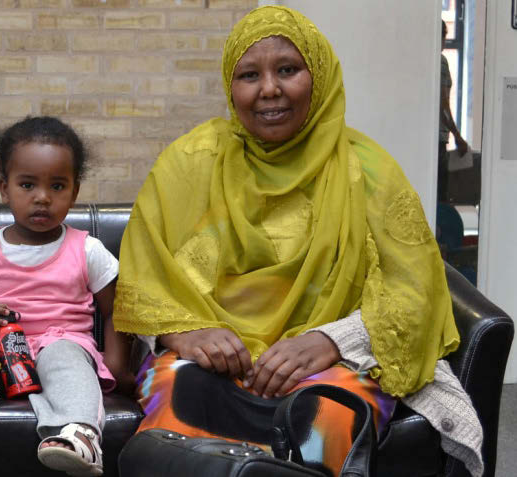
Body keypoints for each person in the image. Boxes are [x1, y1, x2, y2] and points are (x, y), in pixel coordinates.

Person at [113, 6, 483, 477]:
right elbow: (146, 277)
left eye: (287, 70)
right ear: (231, 87)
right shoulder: (188, 164)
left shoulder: (368, 171)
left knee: (325, 414)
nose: (269, 89)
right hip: (212, 363)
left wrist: (333, 339)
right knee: (179, 394)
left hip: (333, 365)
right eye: (250, 75)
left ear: (319, 76)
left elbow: (414, 292)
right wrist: (184, 333)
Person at [0, 116, 134, 477]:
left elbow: (117, 311)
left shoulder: (87, 249)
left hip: (60, 342)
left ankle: (79, 435)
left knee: (69, 361)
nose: (42, 197)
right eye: (27, 185)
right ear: (5, 189)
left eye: (57, 186)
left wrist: (115, 366)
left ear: (75, 191)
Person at [439, 19, 469, 203]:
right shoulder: (440, 62)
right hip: (438, 139)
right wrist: (457, 136)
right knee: (441, 195)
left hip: (429, 137)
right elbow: (442, 105)